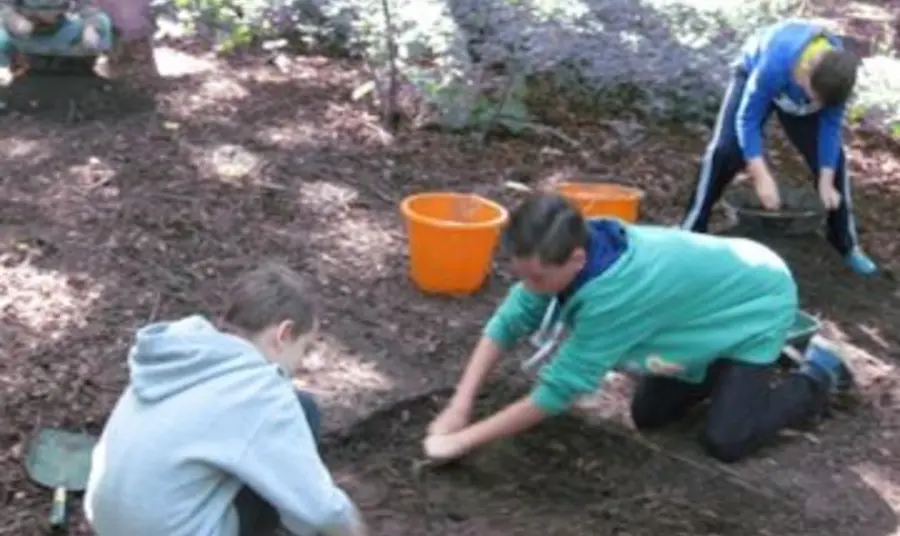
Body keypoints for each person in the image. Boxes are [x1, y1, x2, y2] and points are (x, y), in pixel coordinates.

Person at [424, 193, 854, 465]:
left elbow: (559, 390)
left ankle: (818, 374)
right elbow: (508, 322)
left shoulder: (616, 293)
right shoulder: (561, 253)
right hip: (702, 309)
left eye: (535, 278)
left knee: (725, 441)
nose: (528, 286)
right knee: (650, 415)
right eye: (523, 275)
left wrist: (463, 441)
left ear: (575, 259)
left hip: (758, 299)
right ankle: (728, 368)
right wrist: (460, 406)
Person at [84, 263, 368, 536]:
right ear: (283, 334)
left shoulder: (178, 353)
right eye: (303, 348)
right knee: (304, 410)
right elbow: (322, 511)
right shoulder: (260, 392)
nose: (300, 364)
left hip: (107, 521)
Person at [679, 18, 877, 276]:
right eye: (813, 96)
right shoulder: (775, 61)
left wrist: (826, 180)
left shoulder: (837, 78)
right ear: (805, 72)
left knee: (834, 161)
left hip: (802, 88)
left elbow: (829, 129)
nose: (814, 103)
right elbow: (747, 119)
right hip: (756, 74)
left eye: (819, 101)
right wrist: (760, 175)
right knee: (725, 150)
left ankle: (845, 245)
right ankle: (690, 230)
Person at [0, 0, 114, 105]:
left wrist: (91, 27)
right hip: (25, 34)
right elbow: (4, 6)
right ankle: (3, 76)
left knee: (102, 22)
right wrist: (14, 20)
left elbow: (88, 8)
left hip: (60, 31)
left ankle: (92, 72)